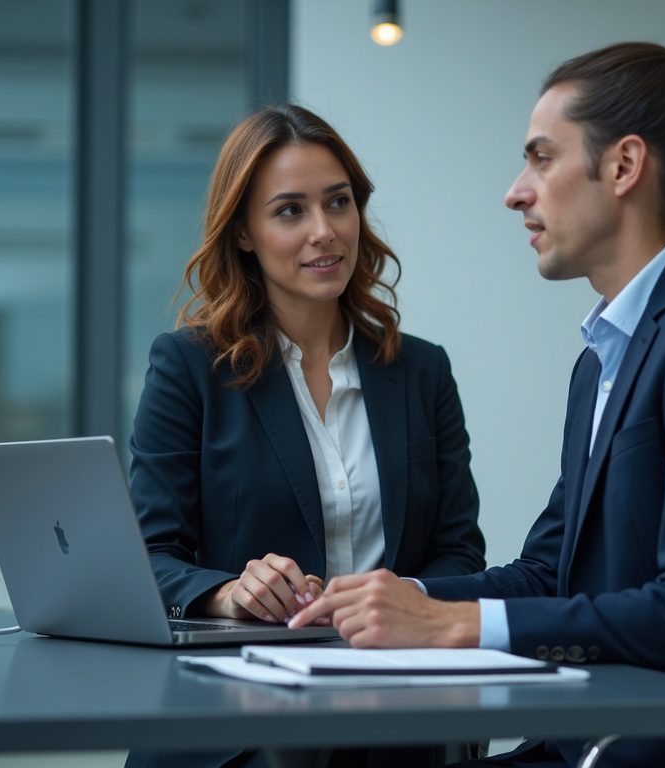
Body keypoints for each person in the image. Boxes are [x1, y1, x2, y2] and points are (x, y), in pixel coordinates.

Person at [291, 25, 665, 768]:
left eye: (541, 158)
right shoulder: (605, 357)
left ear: (624, 165)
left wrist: (456, 624)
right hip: (607, 731)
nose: (516, 192)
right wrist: (392, 594)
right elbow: (551, 570)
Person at [125, 105, 485, 768]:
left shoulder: (421, 371)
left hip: (400, 718)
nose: (324, 232)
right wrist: (226, 592)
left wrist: (403, 607)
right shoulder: (190, 367)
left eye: (338, 203)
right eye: (290, 211)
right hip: (239, 727)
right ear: (243, 233)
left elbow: (459, 552)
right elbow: (146, 556)